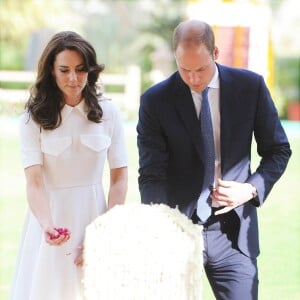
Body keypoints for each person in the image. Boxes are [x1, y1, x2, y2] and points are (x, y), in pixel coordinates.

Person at [137, 19, 291, 300]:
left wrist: (252, 187)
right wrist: (162, 223)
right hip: (178, 231)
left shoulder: (251, 87)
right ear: (175, 58)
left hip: (234, 235)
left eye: (201, 69)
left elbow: (278, 150)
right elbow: (151, 173)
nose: (194, 79)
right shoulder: (154, 101)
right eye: (185, 70)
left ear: (216, 53)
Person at [10, 31, 128, 300]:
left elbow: (119, 178)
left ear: (90, 71)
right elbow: (35, 182)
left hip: (95, 216)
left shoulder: (109, 112)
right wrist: (47, 224)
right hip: (50, 220)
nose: (73, 79)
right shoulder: (33, 119)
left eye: (80, 70)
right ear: (51, 71)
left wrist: (104, 231)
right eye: (64, 70)